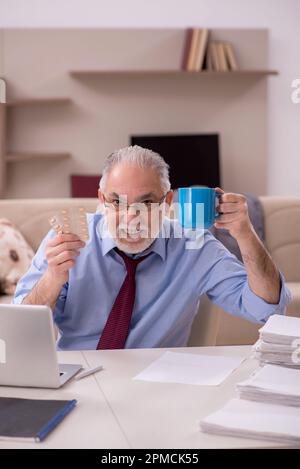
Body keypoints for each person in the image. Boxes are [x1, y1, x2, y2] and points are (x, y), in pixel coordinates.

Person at [13, 145, 291, 350]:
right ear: (101, 199)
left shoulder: (193, 244)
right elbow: (20, 327)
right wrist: (52, 279)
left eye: (146, 203)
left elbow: (265, 309)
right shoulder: (68, 238)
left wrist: (245, 234)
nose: (131, 217)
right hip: (80, 375)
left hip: (158, 381)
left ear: (167, 202)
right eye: (118, 202)